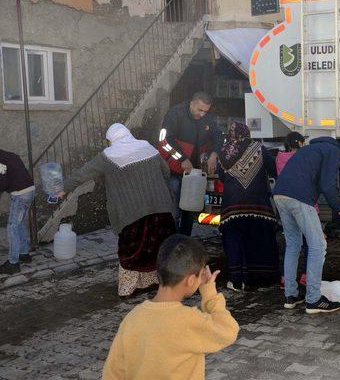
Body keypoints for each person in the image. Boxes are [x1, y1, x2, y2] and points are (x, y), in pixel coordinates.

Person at [102, 234, 239, 379]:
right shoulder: (190, 320)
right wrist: (209, 294)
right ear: (191, 280)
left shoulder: (132, 318)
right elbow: (228, 330)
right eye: (200, 276)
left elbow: (113, 372)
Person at [63, 124, 176, 297]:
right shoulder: (147, 147)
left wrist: (63, 188)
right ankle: (155, 281)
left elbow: (82, 175)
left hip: (132, 214)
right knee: (158, 248)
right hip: (161, 210)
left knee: (132, 251)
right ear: (128, 134)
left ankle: (129, 288)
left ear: (111, 140)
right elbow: (166, 171)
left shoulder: (108, 156)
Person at [273, 136, 340, 314]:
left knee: (293, 244)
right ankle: (313, 300)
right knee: (318, 245)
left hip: (280, 194)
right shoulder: (334, 150)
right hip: (300, 197)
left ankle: (291, 296)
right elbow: (327, 184)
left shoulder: (311, 150)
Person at [218, 122, 280, 291]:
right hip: (258, 204)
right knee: (260, 239)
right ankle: (263, 278)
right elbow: (274, 169)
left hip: (231, 205)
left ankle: (237, 280)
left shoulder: (223, 152)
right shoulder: (259, 148)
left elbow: (221, 177)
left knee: (234, 240)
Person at [158, 91, 224, 236]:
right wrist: (182, 158)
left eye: (205, 111)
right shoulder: (175, 113)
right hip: (173, 171)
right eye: (200, 110)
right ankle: (172, 239)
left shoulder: (207, 118)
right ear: (192, 103)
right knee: (174, 208)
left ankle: (184, 239)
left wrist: (214, 154)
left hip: (194, 173)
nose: (202, 114)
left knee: (190, 208)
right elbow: (164, 140)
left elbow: (219, 135)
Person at [276, 131, 308, 287]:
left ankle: (285, 278)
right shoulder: (302, 158)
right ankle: (306, 276)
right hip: (301, 202)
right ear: (300, 143)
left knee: (291, 244)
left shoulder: (279, 158)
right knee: (310, 242)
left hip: (283, 201)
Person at [0, 150, 35, 275]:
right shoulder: (11, 155)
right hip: (30, 191)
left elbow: (3, 182)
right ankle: (24, 254)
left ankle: (13, 263)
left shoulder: (0, 160)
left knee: (12, 227)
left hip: (20, 195)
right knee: (19, 223)